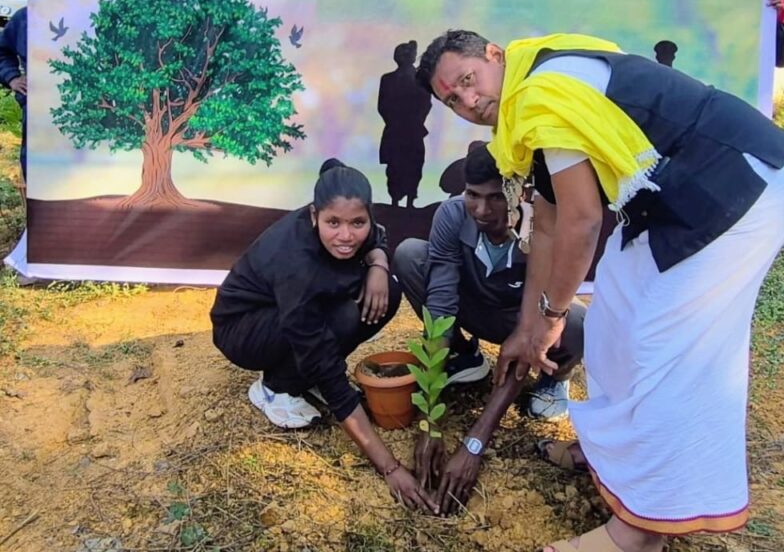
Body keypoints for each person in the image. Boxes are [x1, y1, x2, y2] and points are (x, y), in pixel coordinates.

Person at [416, 30, 784, 552]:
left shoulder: (541, 96)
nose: (468, 101)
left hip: (739, 183)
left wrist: (551, 316)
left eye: (468, 80)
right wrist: (527, 328)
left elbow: (581, 222)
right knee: (609, 326)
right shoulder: (526, 99)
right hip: (673, 194)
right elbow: (548, 223)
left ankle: (641, 531)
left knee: (661, 346)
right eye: (452, 99)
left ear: (493, 55)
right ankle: (609, 457)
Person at [210, 159, 437, 512]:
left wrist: (379, 264)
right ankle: (276, 387)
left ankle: (301, 375)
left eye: (357, 223)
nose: (346, 236)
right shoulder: (296, 263)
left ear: (368, 216)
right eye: (334, 223)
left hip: (291, 311)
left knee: (386, 293)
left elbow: (376, 236)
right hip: (244, 329)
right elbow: (327, 366)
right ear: (315, 216)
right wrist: (390, 467)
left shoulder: (354, 223)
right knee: (339, 322)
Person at [393, 144, 586, 514]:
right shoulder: (452, 214)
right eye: (473, 195)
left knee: (577, 324)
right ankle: (464, 356)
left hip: (523, 320)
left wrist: (475, 443)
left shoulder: (542, 227)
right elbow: (441, 305)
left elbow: (533, 328)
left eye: (496, 197)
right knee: (410, 256)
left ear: (521, 192)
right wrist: (430, 420)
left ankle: (554, 378)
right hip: (475, 307)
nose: (481, 210)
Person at [377, 40, 432, 207]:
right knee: (397, 167)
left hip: (407, 130)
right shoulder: (389, 79)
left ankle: (408, 200)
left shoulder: (419, 79)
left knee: (412, 166)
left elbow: (426, 103)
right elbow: (383, 106)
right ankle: (398, 200)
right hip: (402, 130)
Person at [0, 5, 28, 180]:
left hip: (90, 108)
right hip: (38, 110)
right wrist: (12, 77)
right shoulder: (25, 17)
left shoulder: (90, 12)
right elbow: (2, 52)